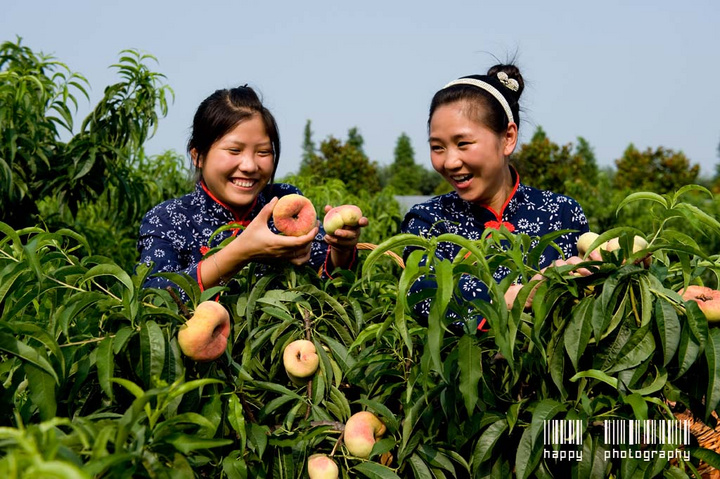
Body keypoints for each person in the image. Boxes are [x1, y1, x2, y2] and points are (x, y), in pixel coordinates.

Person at [401, 63, 590, 330]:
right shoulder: (428, 220)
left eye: (463, 143)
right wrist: (515, 296)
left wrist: (616, 268)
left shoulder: (561, 212)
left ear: (508, 138)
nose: (450, 162)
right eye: (437, 147)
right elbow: (423, 296)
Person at [137, 85, 367, 295]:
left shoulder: (284, 201)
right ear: (198, 156)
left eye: (263, 152)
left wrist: (341, 249)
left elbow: (327, 285)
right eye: (234, 150)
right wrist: (241, 253)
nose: (249, 166)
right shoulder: (168, 220)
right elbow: (154, 298)